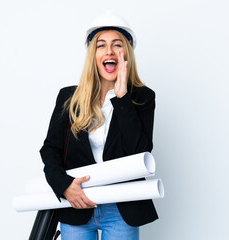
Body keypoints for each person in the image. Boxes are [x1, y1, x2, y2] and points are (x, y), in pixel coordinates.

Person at [40, 12, 158, 240]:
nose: (109, 51)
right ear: (93, 54)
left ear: (127, 54)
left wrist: (122, 99)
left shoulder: (142, 97)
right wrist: (64, 186)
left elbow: (140, 152)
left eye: (117, 45)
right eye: (101, 45)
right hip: (77, 206)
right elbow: (50, 150)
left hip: (121, 207)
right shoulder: (69, 98)